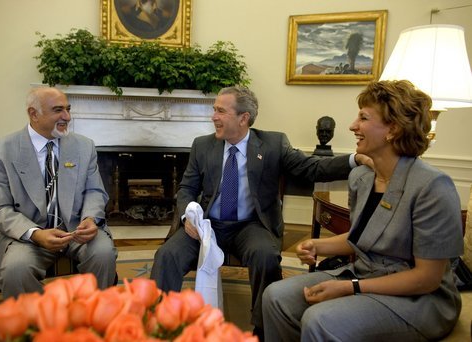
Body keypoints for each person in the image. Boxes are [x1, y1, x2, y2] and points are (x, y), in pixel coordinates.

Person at [150, 85, 370, 340]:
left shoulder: (273, 143)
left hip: (250, 225)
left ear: (243, 118)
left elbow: (312, 169)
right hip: (207, 226)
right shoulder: (203, 145)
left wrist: (355, 158)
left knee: (265, 256)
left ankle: (263, 328)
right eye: (214, 110)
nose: (213, 116)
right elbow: (187, 187)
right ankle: (160, 325)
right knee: (167, 255)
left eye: (221, 111)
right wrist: (189, 216)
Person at [262, 80, 464, 341]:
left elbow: (427, 279)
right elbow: (361, 238)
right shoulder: (362, 177)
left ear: (393, 129)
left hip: (421, 299)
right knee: (276, 297)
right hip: (364, 275)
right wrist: (317, 246)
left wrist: (350, 287)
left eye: (364, 118)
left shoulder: (432, 186)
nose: (352, 126)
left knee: (320, 320)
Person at [0, 87, 118, 298]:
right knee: (15, 270)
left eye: (68, 109)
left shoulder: (84, 146)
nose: (67, 117)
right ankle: (39, 324)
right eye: (58, 110)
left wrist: (90, 217)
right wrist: (35, 234)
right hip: (27, 236)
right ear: (34, 114)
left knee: (104, 253)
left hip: (76, 230)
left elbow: (94, 191)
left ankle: (92, 319)